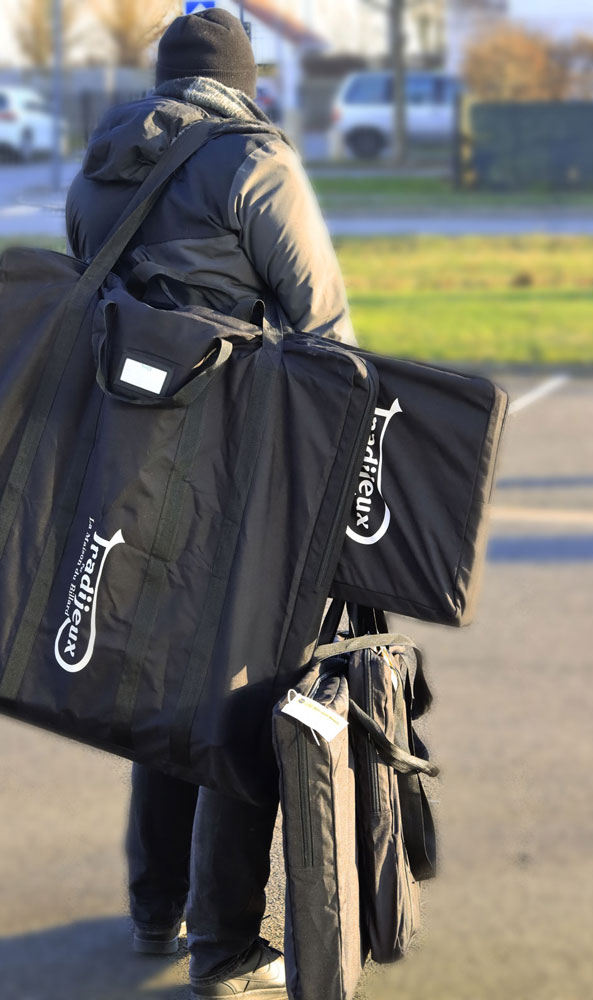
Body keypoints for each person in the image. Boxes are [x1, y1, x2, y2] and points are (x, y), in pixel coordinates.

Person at [65, 9, 355, 998]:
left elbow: (86, 299)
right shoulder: (251, 159)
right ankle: (227, 944)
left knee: (161, 683)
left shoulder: (101, 163)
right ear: (245, 78)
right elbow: (325, 327)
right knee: (239, 689)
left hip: (123, 459)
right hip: (232, 460)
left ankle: (159, 909)